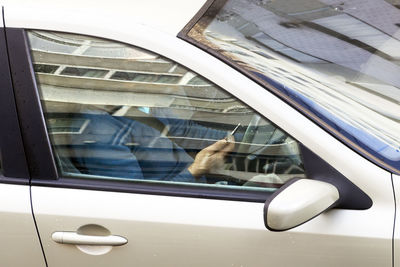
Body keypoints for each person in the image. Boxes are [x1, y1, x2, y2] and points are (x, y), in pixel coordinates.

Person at [66, 107, 236, 183]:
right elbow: (139, 199)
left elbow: (183, 131)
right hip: (179, 206)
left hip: (200, 186)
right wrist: (196, 170)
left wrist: (241, 140)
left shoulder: (141, 102)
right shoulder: (101, 135)